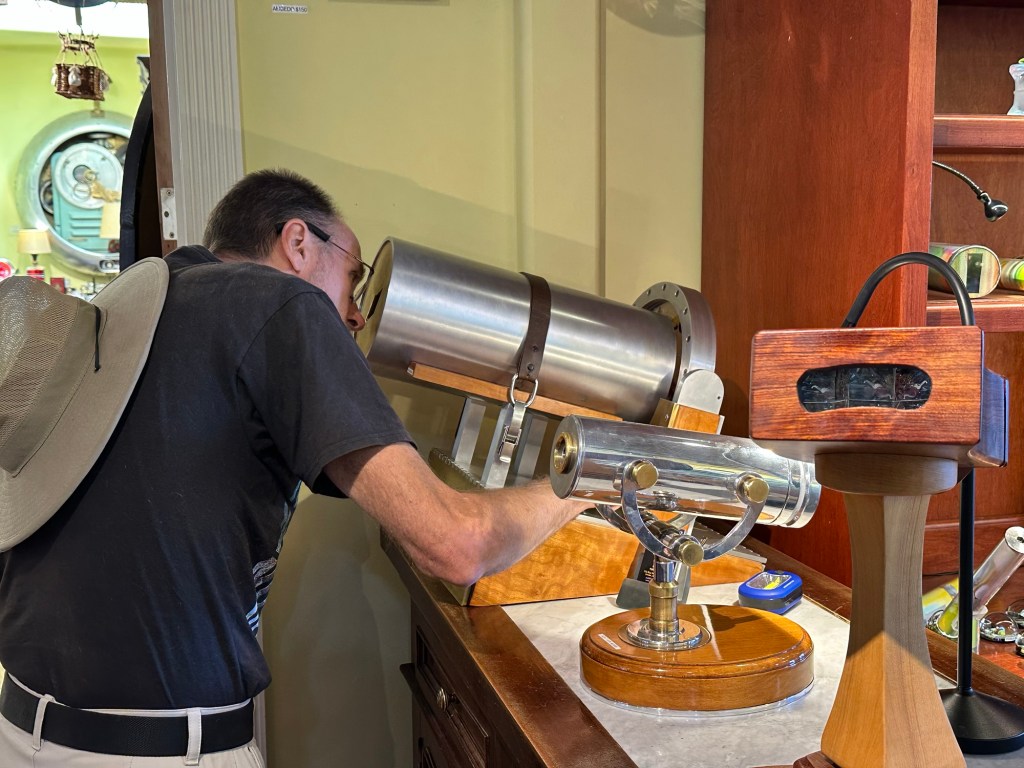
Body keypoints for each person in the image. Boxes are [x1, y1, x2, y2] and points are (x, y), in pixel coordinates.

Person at [0, 169, 588, 766]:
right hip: (157, 752)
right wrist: (591, 474)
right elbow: (457, 546)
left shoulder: (131, 314)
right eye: (354, 279)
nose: (356, 316)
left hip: (18, 728)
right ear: (299, 243)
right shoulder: (280, 301)